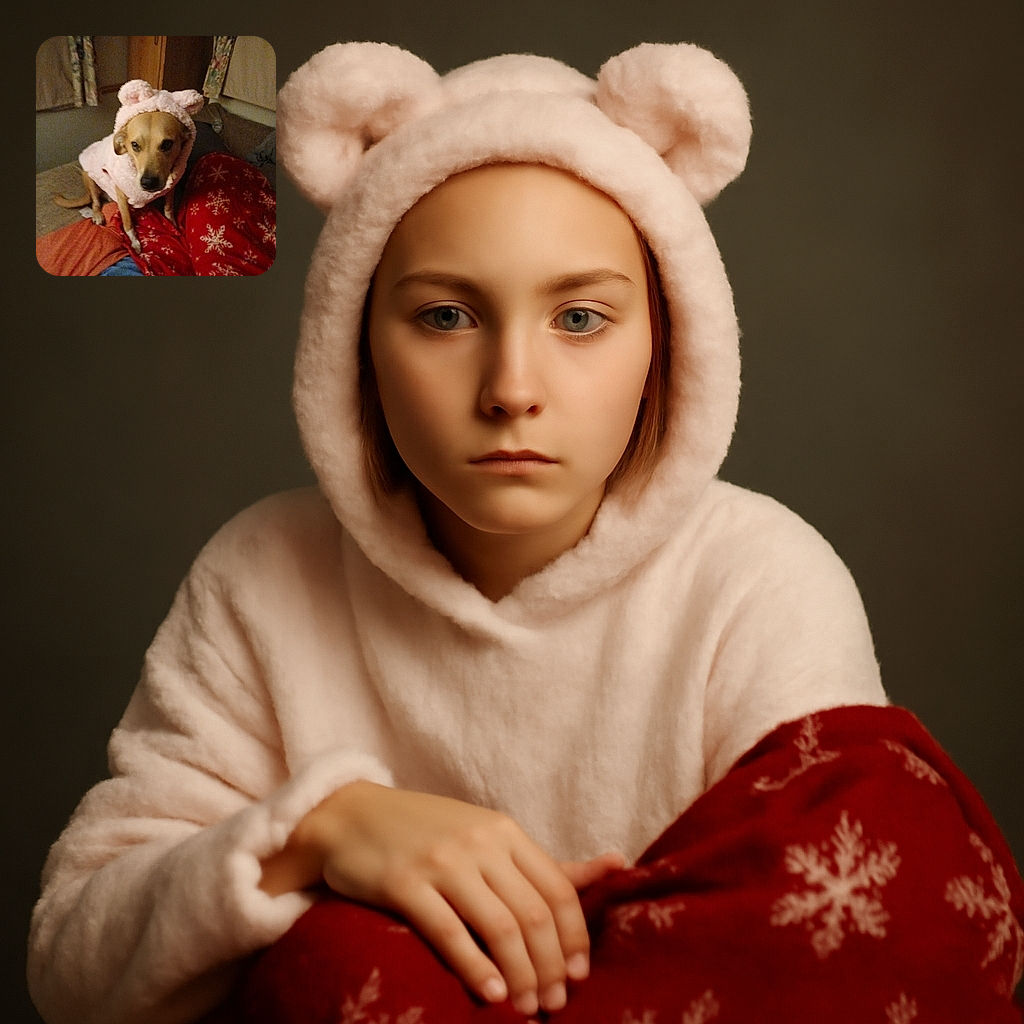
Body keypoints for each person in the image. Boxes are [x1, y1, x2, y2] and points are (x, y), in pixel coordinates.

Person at [27, 42, 1023, 1024]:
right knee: (332, 956)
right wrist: (320, 833)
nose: (512, 391)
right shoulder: (260, 575)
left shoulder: (763, 581)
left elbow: (841, 936)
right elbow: (72, 964)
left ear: (665, 339)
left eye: (580, 319)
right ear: (355, 342)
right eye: (447, 316)